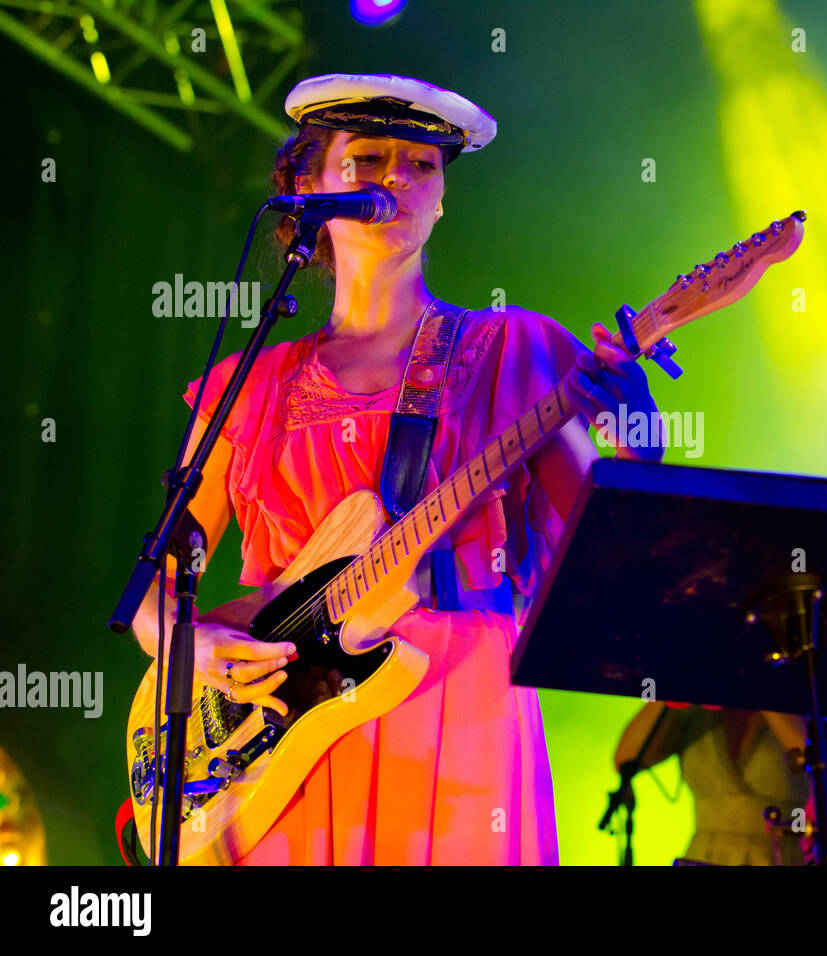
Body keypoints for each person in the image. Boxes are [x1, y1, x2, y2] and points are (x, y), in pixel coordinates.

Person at [130, 73, 662, 865]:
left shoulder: (516, 350)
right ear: (307, 186)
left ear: (444, 197)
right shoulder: (252, 382)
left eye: (423, 165)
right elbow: (156, 581)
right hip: (279, 730)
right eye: (369, 158)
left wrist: (639, 442)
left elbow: (608, 561)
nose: (396, 180)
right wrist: (187, 646)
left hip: (461, 708)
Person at [614, 703, 827, 865]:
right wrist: (674, 680)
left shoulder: (816, 690)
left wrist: (758, 684)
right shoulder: (703, 704)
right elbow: (626, 758)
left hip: (781, 857)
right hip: (702, 857)